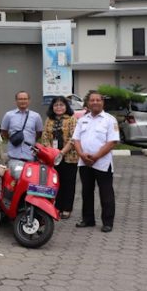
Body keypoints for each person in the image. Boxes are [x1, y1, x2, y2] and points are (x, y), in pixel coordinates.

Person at [72, 91, 119, 232]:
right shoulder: (82, 120)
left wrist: (96, 157)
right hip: (84, 162)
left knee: (106, 193)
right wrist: (82, 155)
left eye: (98, 100)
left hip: (102, 163)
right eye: (92, 100)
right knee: (86, 192)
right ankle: (88, 219)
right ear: (88, 103)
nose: (95, 102)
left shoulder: (110, 120)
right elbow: (76, 139)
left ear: (103, 102)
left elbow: (112, 142)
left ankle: (108, 222)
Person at [40, 96, 78, 219]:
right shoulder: (49, 120)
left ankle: (67, 208)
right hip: (53, 157)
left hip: (69, 157)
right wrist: (51, 152)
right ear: (52, 107)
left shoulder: (72, 119)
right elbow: (45, 137)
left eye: (61, 105)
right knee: (55, 182)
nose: (59, 107)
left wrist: (61, 153)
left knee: (68, 183)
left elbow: (73, 139)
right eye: (56, 105)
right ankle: (57, 206)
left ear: (66, 106)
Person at [0, 91, 44, 178]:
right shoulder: (9, 115)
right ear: (16, 101)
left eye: (25, 99)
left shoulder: (36, 116)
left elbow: (39, 133)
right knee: (17, 178)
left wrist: (30, 141)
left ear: (29, 101)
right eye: (20, 99)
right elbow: (4, 131)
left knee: (29, 180)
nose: (23, 101)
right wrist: (13, 139)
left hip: (30, 157)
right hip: (14, 156)